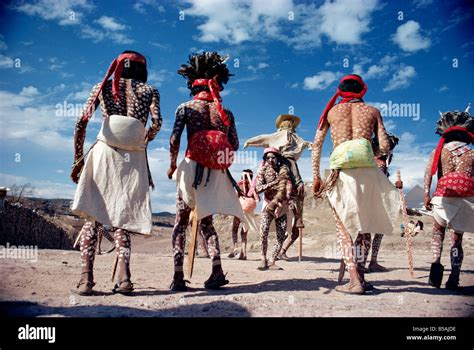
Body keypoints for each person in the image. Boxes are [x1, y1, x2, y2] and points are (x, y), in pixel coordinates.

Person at [71, 51, 162, 296]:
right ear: (142, 69)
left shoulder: (101, 87)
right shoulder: (151, 90)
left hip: (104, 153)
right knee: (123, 218)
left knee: (93, 215)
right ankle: (124, 279)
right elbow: (157, 124)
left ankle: (86, 280)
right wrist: (142, 140)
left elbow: (82, 122)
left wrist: (78, 159)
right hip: (133, 157)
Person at [312, 74, 400, 295]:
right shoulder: (372, 112)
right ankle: (360, 276)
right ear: (363, 90)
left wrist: (316, 176)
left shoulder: (332, 112)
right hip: (368, 173)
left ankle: (354, 281)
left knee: (344, 229)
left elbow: (316, 146)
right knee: (364, 226)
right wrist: (370, 153)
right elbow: (386, 147)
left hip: (340, 173)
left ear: (341, 91)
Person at [168, 52, 247, 291]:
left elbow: (174, 140)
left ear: (192, 86)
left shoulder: (185, 107)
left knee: (181, 222)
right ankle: (216, 271)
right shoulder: (226, 112)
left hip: (191, 168)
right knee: (207, 222)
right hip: (216, 172)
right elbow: (233, 144)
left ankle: (179, 277)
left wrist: (172, 165)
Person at [244, 114, 311, 261]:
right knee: (264, 229)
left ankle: (296, 218)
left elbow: (303, 143)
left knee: (292, 174)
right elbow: (262, 138)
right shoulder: (275, 139)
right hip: (277, 179)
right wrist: (249, 142)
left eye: (291, 124)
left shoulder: (295, 139)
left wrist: (308, 144)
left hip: (288, 167)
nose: (289, 126)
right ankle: (264, 256)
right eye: (288, 123)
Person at [424, 107, 473, 290]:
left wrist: (426, 194)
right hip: (465, 197)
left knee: (438, 232)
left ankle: (435, 273)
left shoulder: (440, 151)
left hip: (443, 197)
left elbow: (429, 173)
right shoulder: (471, 153)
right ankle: (454, 277)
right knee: (456, 239)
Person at [255, 148, 291, 271]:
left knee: (281, 235)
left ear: (277, 158)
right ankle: (263, 259)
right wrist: (274, 183)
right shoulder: (263, 170)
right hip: (268, 205)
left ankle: (272, 260)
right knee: (263, 231)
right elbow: (258, 189)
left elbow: (289, 186)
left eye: (273, 157)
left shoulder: (284, 170)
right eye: (268, 157)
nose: (271, 160)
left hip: (282, 206)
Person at [229, 169, 259, 260]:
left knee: (235, 229)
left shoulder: (240, 185)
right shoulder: (253, 187)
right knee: (244, 232)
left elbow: (235, 196)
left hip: (240, 209)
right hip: (249, 211)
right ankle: (244, 253)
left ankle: (236, 248)